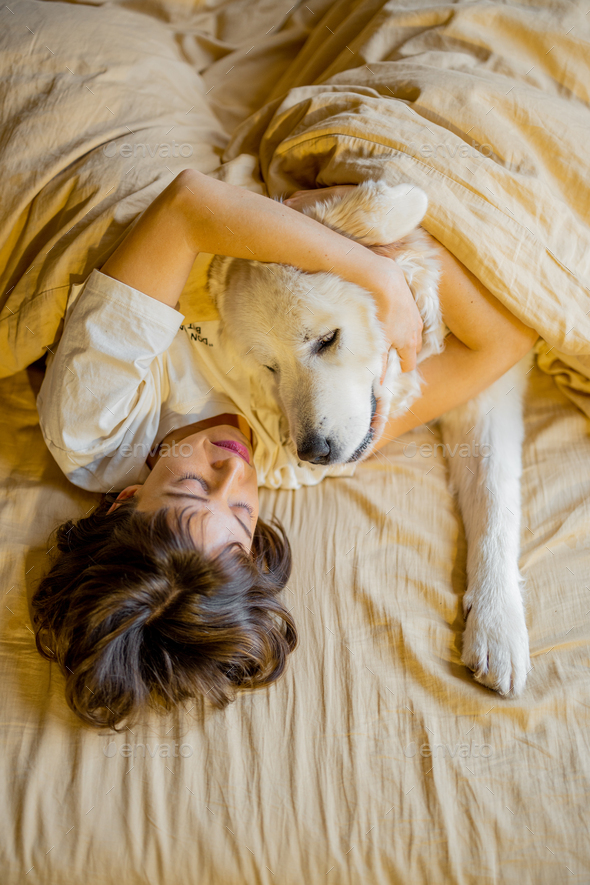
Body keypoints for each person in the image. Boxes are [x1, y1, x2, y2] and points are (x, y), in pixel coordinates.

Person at [32, 169, 538, 730]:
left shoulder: (93, 426)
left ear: (126, 500)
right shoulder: (294, 454)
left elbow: (186, 207)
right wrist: (372, 246)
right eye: (244, 514)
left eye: (194, 486)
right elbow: (504, 342)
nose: (235, 471)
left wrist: (370, 269)